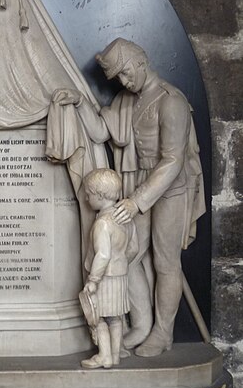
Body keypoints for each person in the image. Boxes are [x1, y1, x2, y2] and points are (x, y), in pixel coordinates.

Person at [52, 38, 205, 357]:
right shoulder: (127, 101)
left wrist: (137, 200)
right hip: (136, 184)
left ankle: (163, 333)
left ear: (140, 61)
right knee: (130, 253)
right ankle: (142, 325)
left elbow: (173, 160)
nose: (123, 81)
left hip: (168, 187)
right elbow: (100, 132)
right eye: (117, 77)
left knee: (165, 262)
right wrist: (79, 102)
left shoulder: (170, 101)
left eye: (124, 73)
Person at [80, 169, 138, 369]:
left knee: (99, 319)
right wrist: (121, 263)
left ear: (100, 196)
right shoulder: (126, 220)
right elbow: (134, 249)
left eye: (89, 195)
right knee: (116, 318)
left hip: (104, 277)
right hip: (120, 275)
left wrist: (93, 280)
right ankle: (115, 354)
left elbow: (102, 254)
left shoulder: (102, 223)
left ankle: (104, 356)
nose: (87, 199)